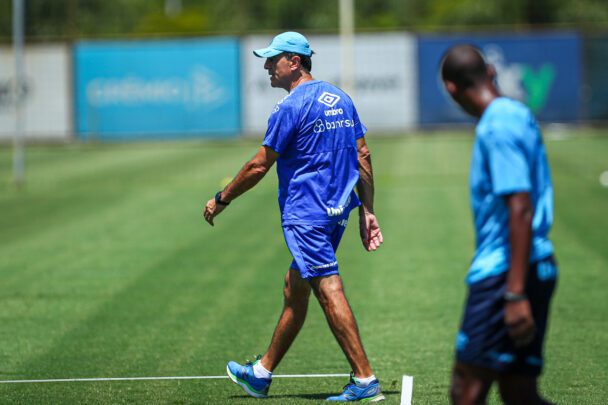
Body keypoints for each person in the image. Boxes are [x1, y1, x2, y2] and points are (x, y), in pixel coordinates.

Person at [203, 31, 385, 402]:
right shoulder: (341, 98)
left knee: (327, 288)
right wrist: (367, 210)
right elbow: (362, 155)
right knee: (295, 286)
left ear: (295, 62)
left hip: (306, 216)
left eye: (273, 60)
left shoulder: (289, 107)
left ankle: (365, 381)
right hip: (336, 214)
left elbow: (258, 166)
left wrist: (222, 198)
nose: (267, 66)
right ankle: (260, 374)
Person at [440, 43, 558, 405]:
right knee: (518, 392)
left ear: (451, 89)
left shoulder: (496, 127)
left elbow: (519, 206)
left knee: (466, 390)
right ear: (491, 72)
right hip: (532, 264)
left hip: (505, 274)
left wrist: (514, 293)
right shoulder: (517, 113)